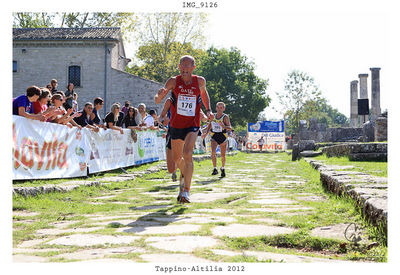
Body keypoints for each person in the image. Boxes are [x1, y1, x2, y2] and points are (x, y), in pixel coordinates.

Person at [154, 55, 214, 204]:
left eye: (188, 66)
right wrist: (159, 96)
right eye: (183, 66)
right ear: (179, 67)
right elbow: (158, 99)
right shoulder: (173, 81)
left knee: (187, 153)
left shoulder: (199, 81)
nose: (185, 69)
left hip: (192, 124)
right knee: (176, 159)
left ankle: (186, 191)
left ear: (193, 68)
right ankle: (184, 173)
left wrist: (208, 110)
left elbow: (204, 94)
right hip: (175, 125)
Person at [202, 102, 232, 177]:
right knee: (213, 152)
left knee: (223, 155)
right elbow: (210, 124)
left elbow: (230, 128)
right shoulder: (213, 116)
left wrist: (224, 126)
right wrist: (206, 133)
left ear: (224, 109)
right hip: (214, 135)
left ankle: (222, 168)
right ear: (216, 108)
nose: (219, 109)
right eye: (218, 107)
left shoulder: (225, 117)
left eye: (221, 108)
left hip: (222, 135)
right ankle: (215, 168)